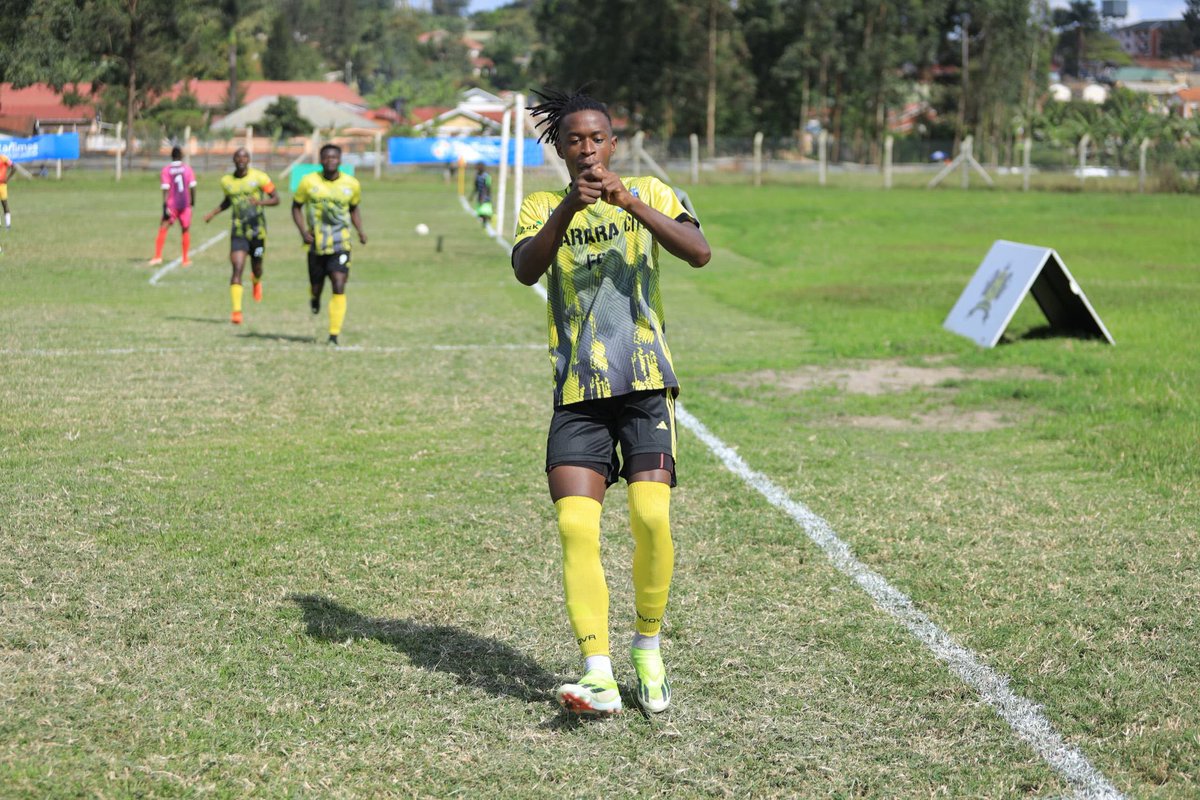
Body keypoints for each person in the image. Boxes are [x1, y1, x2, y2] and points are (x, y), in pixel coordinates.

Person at [511, 87, 711, 717]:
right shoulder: (543, 205)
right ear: (561, 149)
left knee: (652, 518)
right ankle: (598, 672)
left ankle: (647, 648)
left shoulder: (651, 191)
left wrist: (628, 201)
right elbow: (523, 268)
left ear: (613, 143)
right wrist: (569, 210)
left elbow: (698, 252)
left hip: (646, 384)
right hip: (578, 394)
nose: (588, 149)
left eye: (597, 138)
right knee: (576, 526)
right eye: (575, 140)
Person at [291, 144, 366, 346]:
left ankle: (333, 335)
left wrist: (360, 230)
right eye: (326, 157)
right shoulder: (308, 182)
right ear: (321, 160)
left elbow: (354, 208)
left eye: (334, 157)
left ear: (340, 160)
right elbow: (296, 207)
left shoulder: (351, 184)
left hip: (342, 243)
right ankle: (314, 299)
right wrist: (302, 231)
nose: (330, 160)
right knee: (317, 286)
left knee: (339, 284)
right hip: (316, 244)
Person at [203, 148, 280, 325]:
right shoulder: (227, 181)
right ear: (234, 160)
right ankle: (236, 312)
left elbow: (276, 199)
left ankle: (256, 280)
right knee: (237, 268)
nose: (241, 159)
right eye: (238, 157)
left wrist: (260, 202)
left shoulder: (260, 177)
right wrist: (213, 213)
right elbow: (228, 201)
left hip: (258, 231)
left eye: (244, 156)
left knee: (257, 265)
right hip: (238, 231)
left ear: (249, 159)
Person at [149, 146, 197, 267]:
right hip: (185, 203)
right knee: (185, 230)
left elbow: (165, 188)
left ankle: (157, 256)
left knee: (163, 228)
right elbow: (193, 186)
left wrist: (164, 205)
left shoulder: (166, 170)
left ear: (171, 156)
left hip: (172, 204)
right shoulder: (187, 169)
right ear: (181, 156)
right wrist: (192, 202)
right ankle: (185, 259)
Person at [471, 162, 493, 229]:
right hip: (480, 196)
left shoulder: (487, 176)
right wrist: (471, 196)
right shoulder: (477, 176)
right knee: (480, 213)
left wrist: (484, 197)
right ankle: (485, 221)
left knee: (485, 212)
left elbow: (487, 187)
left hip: (485, 196)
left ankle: (488, 220)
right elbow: (476, 187)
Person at [0, 151, 13, 229]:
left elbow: (14, 167)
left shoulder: (4, 158)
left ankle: (8, 225)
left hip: (2, 185)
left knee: (4, 204)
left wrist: (7, 178)